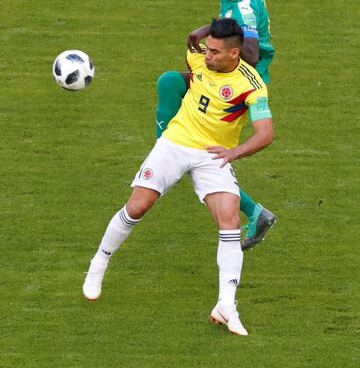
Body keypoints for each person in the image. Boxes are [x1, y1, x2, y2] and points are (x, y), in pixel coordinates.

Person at [83, 18, 273, 336]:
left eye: (214, 51)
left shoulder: (251, 86)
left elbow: (265, 133)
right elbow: (202, 41)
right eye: (206, 49)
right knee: (137, 207)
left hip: (215, 154)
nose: (206, 55)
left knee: (228, 219)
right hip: (176, 143)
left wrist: (233, 153)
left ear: (234, 53)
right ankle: (99, 262)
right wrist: (202, 31)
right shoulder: (197, 57)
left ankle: (226, 305)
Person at [144, 0, 276, 250]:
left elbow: (253, 54)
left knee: (205, 149)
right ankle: (168, 149)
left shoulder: (245, 10)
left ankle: (254, 211)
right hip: (222, 67)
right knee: (169, 83)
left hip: (237, 83)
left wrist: (210, 29)